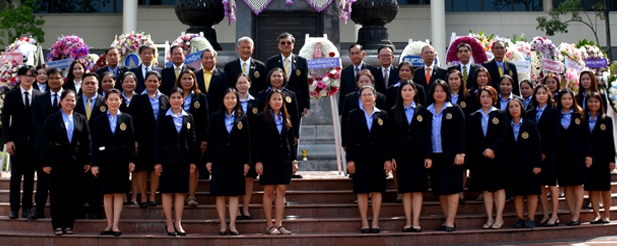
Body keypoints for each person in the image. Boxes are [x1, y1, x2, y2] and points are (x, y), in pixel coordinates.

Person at [41, 90, 91, 236]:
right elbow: (44, 141)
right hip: (56, 161)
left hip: (75, 162)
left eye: (73, 100)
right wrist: (45, 162)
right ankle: (57, 225)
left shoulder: (81, 119)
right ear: (61, 101)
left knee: (72, 194)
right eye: (67, 100)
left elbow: (87, 141)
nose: (70, 103)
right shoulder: (52, 119)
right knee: (57, 194)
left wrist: (88, 160)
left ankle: (69, 224)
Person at [346, 85, 392, 234]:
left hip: (378, 158)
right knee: (362, 191)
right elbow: (350, 139)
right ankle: (365, 221)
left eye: (369, 94)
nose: (367, 97)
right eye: (364, 95)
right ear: (360, 98)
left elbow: (387, 138)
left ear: (375, 97)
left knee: (377, 190)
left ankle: (375, 221)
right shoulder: (353, 114)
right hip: (360, 158)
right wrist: (350, 160)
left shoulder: (383, 115)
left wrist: (388, 158)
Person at [153, 87, 198, 236]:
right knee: (166, 192)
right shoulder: (162, 117)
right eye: (173, 97)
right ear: (169, 99)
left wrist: (193, 160)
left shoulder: (189, 117)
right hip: (166, 159)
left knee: (180, 192)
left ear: (183, 100)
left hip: (183, 159)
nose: (176, 100)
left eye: (179, 97)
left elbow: (192, 140)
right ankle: (169, 223)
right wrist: (157, 162)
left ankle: (178, 222)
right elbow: (157, 140)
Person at [90, 89, 136, 236]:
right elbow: (94, 143)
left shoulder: (127, 118)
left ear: (121, 101)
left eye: (117, 99)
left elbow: (130, 141)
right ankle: (108, 224)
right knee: (107, 194)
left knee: (118, 193)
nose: (114, 102)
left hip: (121, 161)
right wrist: (94, 163)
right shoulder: (98, 120)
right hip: (104, 161)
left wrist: (131, 160)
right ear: (106, 101)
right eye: (111, 99)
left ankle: (116, 225)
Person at [205, 88, 251, 235]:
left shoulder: (242, 117)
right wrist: (209, 159)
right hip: (219, 159)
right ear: (223, 100)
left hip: (236, 160)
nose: (230, 101)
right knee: (219, 193)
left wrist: (246, 162)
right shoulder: (215, 117)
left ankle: (232, 224)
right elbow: (211, 140)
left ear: (237, 100)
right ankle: (223, 224)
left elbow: (246, 141)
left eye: (233, 98)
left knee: (233, 193)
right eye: (227, 98)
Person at [253, 89, 298, 235]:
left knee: (281, 191)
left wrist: (294, 160)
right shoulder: (261, 118)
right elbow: (257, 141)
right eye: (274, 99)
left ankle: (279, 223)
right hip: (268, 160)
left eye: (280, 99)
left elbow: (291, 142)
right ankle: (269, 224)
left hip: (283, 159)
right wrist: (258, 161)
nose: (277, 102)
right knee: (268, 191)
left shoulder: (286, 117)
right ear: (268, 101)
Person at [389, 81, 430, 232]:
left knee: (417, 189)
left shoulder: (423, 111)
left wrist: (428, 155)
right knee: (405, 190)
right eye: (404, 90)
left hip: (419, 155)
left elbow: (427, 134)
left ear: (415, 92)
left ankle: (416, 221)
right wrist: (392, 156)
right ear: (400, 93)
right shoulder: (394, 111)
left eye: (410, 90)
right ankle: (408, 221)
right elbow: (391, 136)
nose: (407, 92)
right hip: (401, 155)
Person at [3, 65, 43, 219]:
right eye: (25, 75)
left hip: (34, 143)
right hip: (16, 142)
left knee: (29, 176)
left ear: (35, 78)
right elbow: (5, 119)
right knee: (16, 176)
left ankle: (27, 208)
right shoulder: (11, 95)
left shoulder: (40, 95)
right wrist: (8, 140)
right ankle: (14, 208)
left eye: (31, 76)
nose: (28, 78)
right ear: (19, 77)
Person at [425, 80, 466, 232]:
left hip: (452, 156)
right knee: (440, 189)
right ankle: (446, 218)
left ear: (447, 92)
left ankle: (450, 221)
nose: (439, 93)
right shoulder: (426, 111)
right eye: (436, 91)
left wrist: (461, 152)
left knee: (452, 189)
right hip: (434, 156)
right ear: (432, 93)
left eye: (442, 90)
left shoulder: (454, 110)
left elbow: (461, 132)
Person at [467, 86, 509, 229]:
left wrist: (493, 149)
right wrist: (484, 149)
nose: (485, 99)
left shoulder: (501, 114)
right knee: (486, 188)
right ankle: (490, 217)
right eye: (483, 96)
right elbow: (473, 136)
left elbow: (504, 134)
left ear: (494, 98)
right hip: (482, 157)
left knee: (499, 187)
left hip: (498, 156)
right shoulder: (474, 116)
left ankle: (499, 217)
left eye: (488, 96)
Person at [129, 71, 170, 209]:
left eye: (155, 81)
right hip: (142, 139)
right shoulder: (137, 99)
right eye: (150, 81)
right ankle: (143, 196)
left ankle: (152, 195)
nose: (152, 84)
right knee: (142, 169)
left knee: (155, 169)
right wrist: (134, 140)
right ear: (145, 82)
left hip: (161, 139)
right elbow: (132, 121)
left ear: (160, 83)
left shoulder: (165, 98)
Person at [30, 67, 65, 219]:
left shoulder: (69, 97)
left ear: (62, 79)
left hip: (63, 146)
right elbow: (35, 120)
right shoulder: (39, 98)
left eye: (57, 78)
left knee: (62, 180)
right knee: (42, 180)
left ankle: (62, 212)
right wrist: (47, 136)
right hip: (43, 146)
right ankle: (39, 209)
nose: (54, 81)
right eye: (51, 78)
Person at [555, 88, 592, 226]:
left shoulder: (580, 114)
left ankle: (577, 215)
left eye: (569, 99)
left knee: (578, 184)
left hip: (578, 154)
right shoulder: (555, 114)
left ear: (573, 100)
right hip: (561, 155)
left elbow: (586, 136)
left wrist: (588, 154)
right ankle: (572, 215)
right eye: (564, 99)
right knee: (567, 185)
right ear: (560, 100)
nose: (567, 101)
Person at [527, 84, 561, 227]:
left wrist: (545, 152)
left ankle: (554, 215)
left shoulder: (553, 112)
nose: (541, 95)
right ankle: (546, 215)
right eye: (538, 93)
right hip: (535, 155)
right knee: (540, 185)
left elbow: (556, 135)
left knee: (552, 185)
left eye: (543, 93)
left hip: (550, 154)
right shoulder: (530, 113)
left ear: (548, 95)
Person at [174, 69, 209, 207]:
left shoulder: (201, 97)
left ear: (194, 80)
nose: (187, 81)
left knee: (193, 166)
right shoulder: (174, 95)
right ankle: (179, 194)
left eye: (190, 78)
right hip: (177, 137)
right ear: (179, 80)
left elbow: (205, 119)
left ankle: (192, 196)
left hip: (196, 137)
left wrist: (204, 139)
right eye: (184, 78)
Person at [73, 73, 106, 219]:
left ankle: (94, 209)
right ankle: (79, 208)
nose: (90, 86)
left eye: (93, 83)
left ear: (98, 85)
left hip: (99, 147)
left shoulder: (104, 102)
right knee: (79, 180)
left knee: (96, 180)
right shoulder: (74, 102)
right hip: (78, 147)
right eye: (87, 83)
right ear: (82, 85)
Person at [506, 99, 542, 228]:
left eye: (516, 106)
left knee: (531, 192)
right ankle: (520, 218)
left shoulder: (530, 125)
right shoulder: (506, 125)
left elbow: (537, 146)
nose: (514, 109)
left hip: (530, 165)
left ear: (521, 108)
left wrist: (537, 164)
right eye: (511, 107)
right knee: (517, 193)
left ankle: (530, 218)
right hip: (513, 166)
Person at [234, 73, 262, 220]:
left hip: (252, 144)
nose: (243, 85)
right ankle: (236, 208)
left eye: (245, 82)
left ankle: (245, 208)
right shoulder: (231, 101)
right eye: (240, 83)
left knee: (249, 177)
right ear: (236, 85)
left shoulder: (256, 102)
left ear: (250, 84)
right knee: (237, 176)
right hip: (235, 145)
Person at [584, 92, 615, 224]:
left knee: (605, 188)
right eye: (590, 101)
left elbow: (610, 140)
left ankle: (606, 214)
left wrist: (612, 160)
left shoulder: (606, 119)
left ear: (601, 103)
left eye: (596, 102)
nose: (593, 104)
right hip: (588, 159)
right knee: (592, 188)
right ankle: (596, 214)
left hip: (603, 158)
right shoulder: (582, 118)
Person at [340, 70, 387, 150]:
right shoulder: (349, 98)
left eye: (367, 81)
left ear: (372, 82)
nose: (364, 84)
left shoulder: (381, 98)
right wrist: (344, 142)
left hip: (377, 143)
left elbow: (385, 121)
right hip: (357, 142)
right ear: (357, 83)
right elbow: (344, 122)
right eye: (361, 81)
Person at [266, 32, 310, 117]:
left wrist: (306, 104)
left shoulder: (301, 61)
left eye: (289, 43)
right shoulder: (271, 61)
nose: (286, 45)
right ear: (278, 45)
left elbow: (305, 83)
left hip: (297, 102)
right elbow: (267, 82)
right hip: (276, 102)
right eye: (283, 43)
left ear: (293, 45)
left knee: (295, 128)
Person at [257, 68, 300, 140]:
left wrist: (296, 134)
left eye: (279, 76)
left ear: (283, 78)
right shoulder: (262, 95)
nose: (276, 78)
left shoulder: (291, 94)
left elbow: (295, 115)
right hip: (267, 132)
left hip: (286, 132)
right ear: (269, 78)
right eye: (274, 76)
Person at [338, 43, 378, 108]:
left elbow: (376, 89)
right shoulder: (345, 71)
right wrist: (341, 112)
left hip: (369, 106)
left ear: (363, 54)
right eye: (352, 54)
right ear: (349, 55)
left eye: (357, 53)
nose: (355, 56)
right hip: (350, 107)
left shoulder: (372, 70)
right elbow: (342, 93)